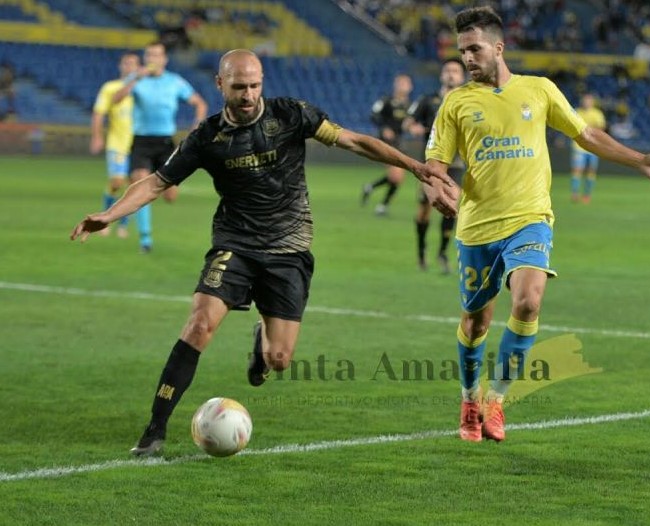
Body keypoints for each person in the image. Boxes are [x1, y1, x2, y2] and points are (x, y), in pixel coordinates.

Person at [70, 49, 458, 457]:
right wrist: (110, 215)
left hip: (289, 250)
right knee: (200, 324)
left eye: (255, 85)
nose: (249, 94)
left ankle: (262, 341)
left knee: (279, 360)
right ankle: (154, 429)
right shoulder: (206, 137)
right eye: (239, 87)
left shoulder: (291, 115)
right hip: (234, 244)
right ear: (220, 84)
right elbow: (155, 183)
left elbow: (355, 141)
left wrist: (417, 168)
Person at [421, 6, 650, 443]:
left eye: (475, 49)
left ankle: (496, 401)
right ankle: (470, 397)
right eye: (462, 50)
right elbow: (436, 162)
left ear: (498, 47)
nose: (467, 58)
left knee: (528, 303)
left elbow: (585, 134)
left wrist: (640, 159)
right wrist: (434, 185)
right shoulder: (456, 103)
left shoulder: (539, 90)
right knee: (476, 322)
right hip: (477, 226)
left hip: (531, 220)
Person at [110, 41, 208, 253]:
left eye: (156, 55)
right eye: (149, 55)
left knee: (170, 196)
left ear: (164, 59)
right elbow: (115, 99)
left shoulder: (175, 82)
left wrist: (197, 124)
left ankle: (148, 230)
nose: (152, 59)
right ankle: (145, 239)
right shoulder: (137, 80)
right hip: (141, 141)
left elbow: (199, 103)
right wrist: (135, 77)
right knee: (140, 185)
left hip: (165, 143)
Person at [403, 58, 466, 273]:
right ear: (442, 75)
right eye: (448, 70)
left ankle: (442, 253)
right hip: (430, 164)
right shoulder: (427, 100)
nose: (451, 74)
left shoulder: (467, 101)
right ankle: (421, 252)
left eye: (455, 71)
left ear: (462, 76)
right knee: (424, 211)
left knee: (451, 206)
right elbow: (408, 121)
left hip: (456, 163)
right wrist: (414, 128)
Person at [89, 51, 141, 239]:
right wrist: (97, 136)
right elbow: (98, 113)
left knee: (134, 186)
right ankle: (105, 218)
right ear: (121, 66)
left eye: (133, 64)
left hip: (137, 145)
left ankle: (123, 225)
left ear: (138, 67)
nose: (129, 67)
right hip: (117, 143)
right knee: (117, 182)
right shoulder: (110, 87)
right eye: (126, 63)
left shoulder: (143, 88)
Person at [360, 73, 414, 216]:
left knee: (397, 178)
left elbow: (410, 122)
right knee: (396, 176)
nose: (404, 86)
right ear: (395, 85)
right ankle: (382, 205)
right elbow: (374, 115)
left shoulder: (410, 105)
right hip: (386, 142)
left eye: (406, 83)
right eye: (401, 83)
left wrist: (413, 127)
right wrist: (384, 128)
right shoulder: (386, 101)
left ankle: (371, 188)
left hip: (400, 142)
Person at [570, 93, 607, 203]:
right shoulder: (576, 112)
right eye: (585, 100)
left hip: (593, 147)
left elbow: (602, 128)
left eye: (589, 100)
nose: (586, 102)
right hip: (578, 147)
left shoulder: (597, 113)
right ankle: (575, 193)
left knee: (591, 171)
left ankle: (587, 195)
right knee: (577, 170)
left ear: (592, 102)